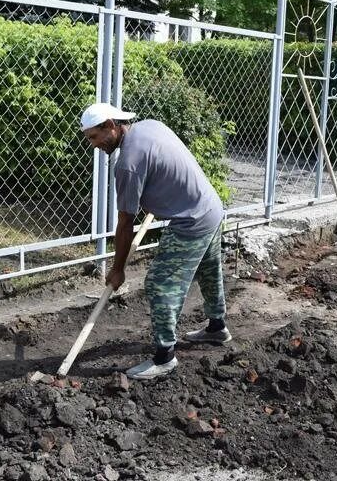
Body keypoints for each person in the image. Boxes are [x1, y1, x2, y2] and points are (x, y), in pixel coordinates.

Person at [80, 103, 230, 379]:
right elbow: (165, 166)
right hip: (210, 206)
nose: (94, 145)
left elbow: (125, 224)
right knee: (208, 268)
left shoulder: (128, 164)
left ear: (110, 125)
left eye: (94, 137)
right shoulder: (148, 126)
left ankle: (164, 357)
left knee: (159, 284)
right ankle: (216, 327)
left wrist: (118, 269)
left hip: (191, 219)